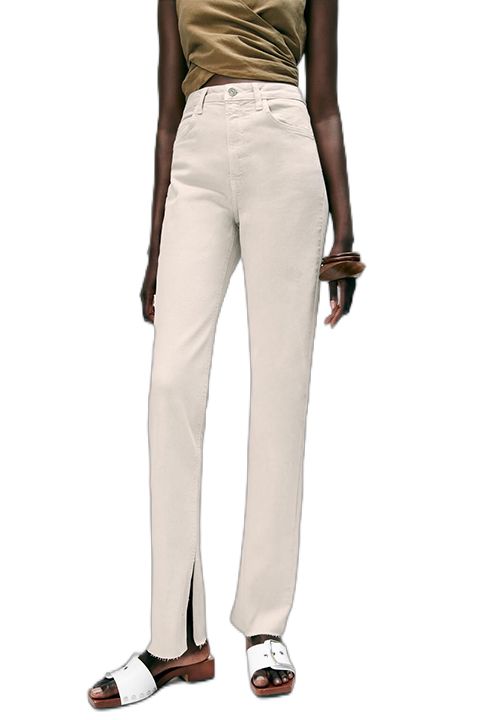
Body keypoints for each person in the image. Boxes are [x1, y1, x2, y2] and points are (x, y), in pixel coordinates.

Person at [87, 0, 364, 708]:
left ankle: (264, 623)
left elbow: (326, 104)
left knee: (280, 388)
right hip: (197, 150)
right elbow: (165, 117)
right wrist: (155, 247)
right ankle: (176, 640)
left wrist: (345, 236)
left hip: (284, 142)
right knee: (170, 385)